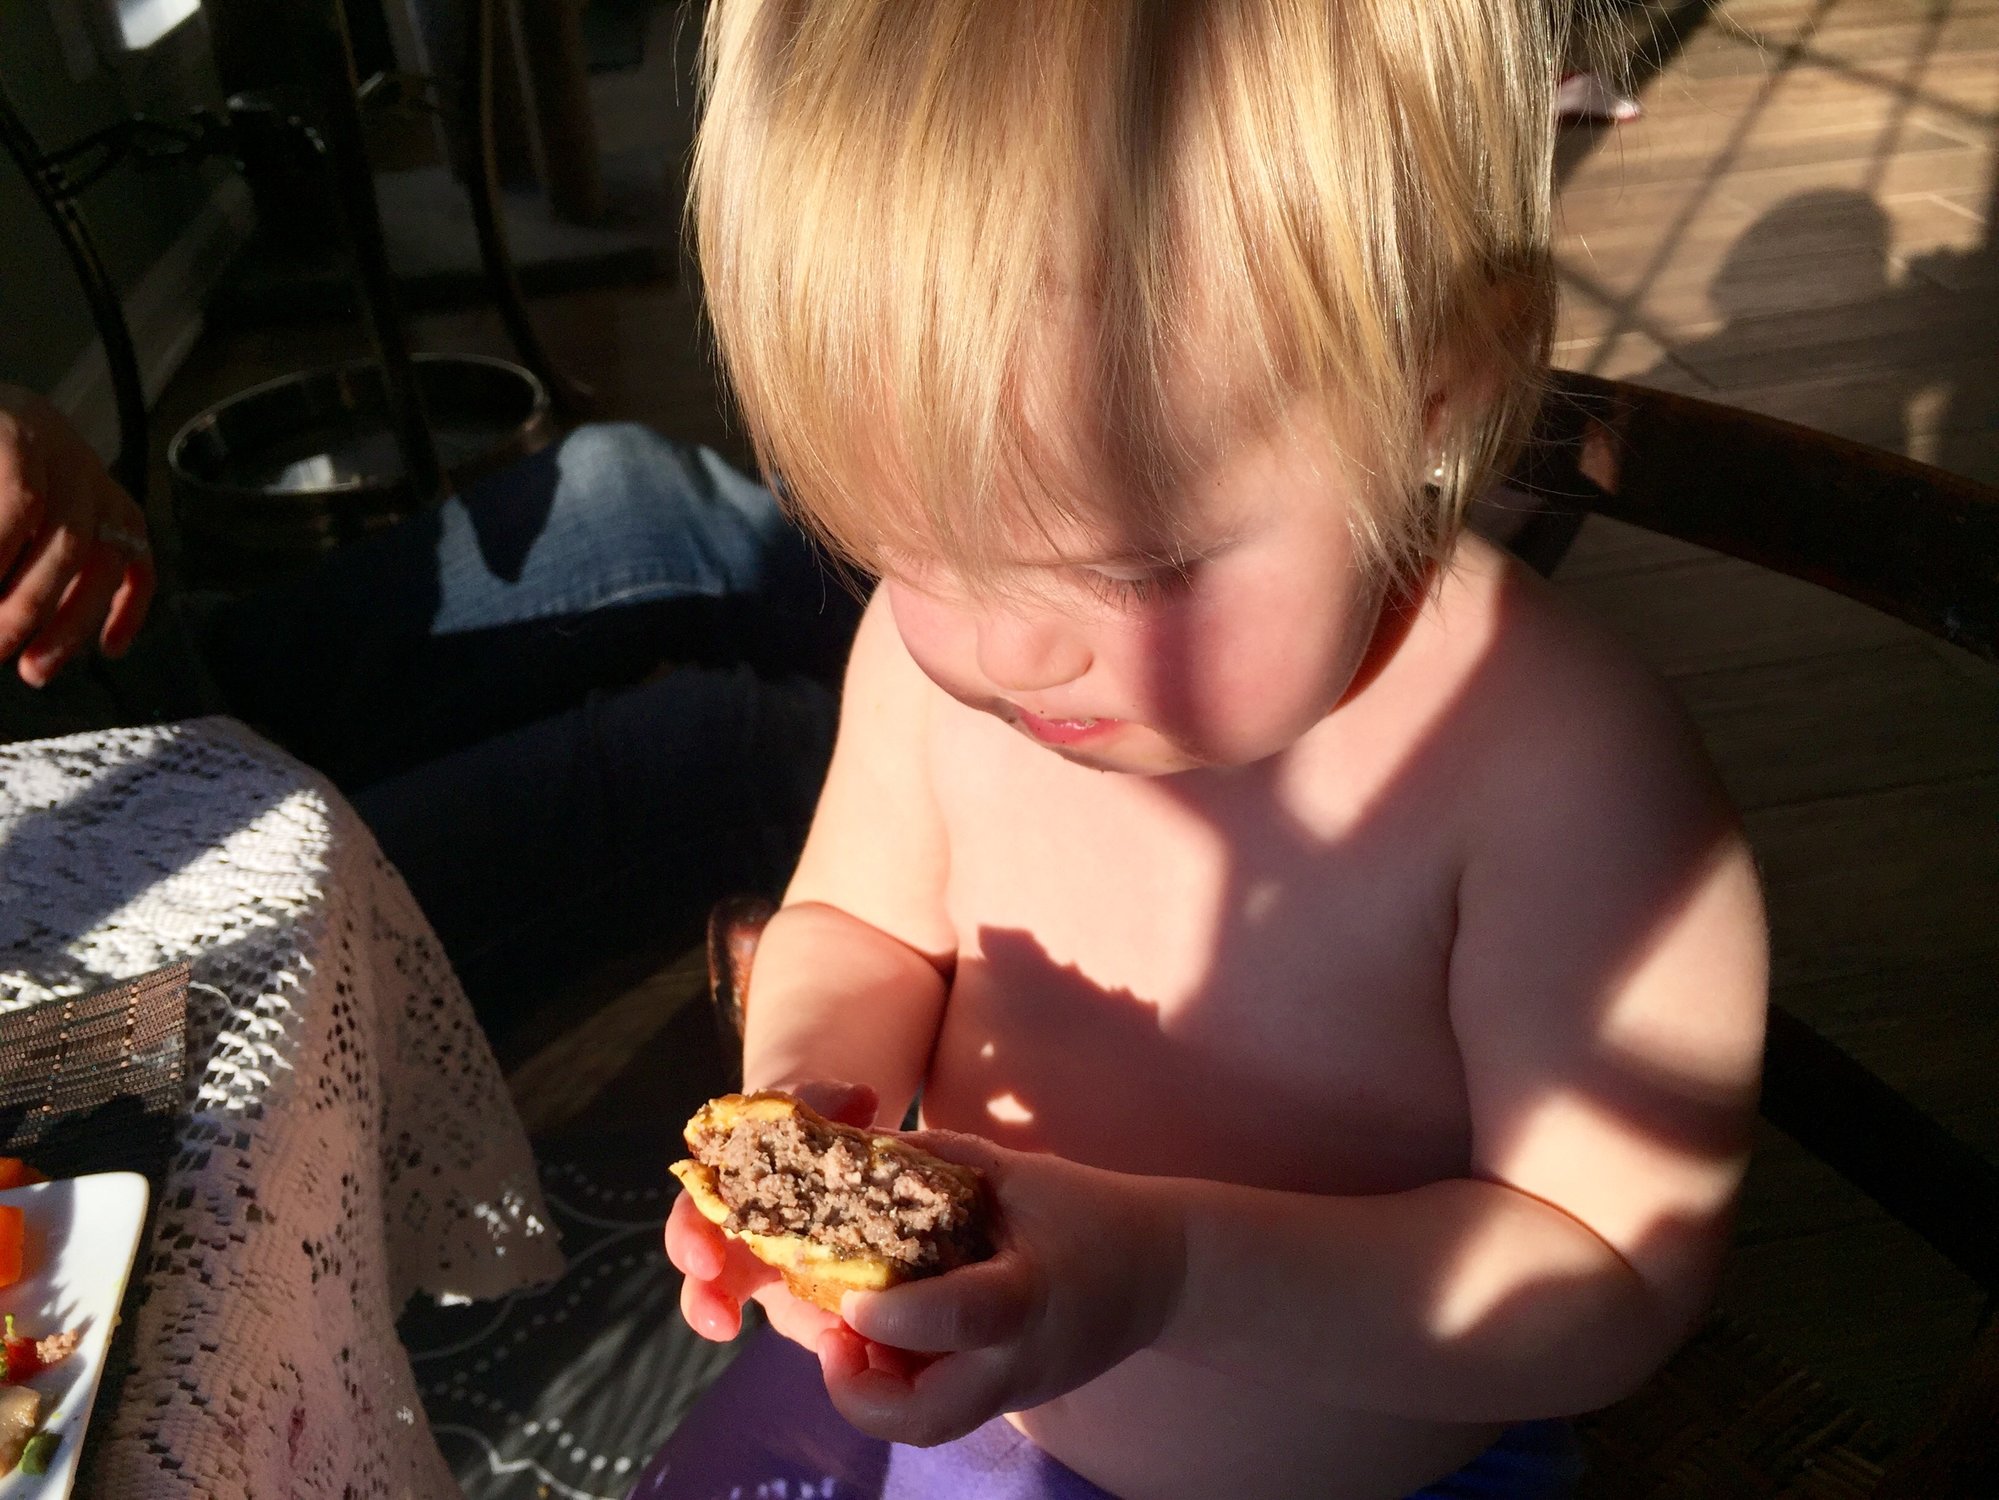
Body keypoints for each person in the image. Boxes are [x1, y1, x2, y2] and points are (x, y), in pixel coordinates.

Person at [655, 4, 1767, 1500]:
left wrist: (1169, 1272)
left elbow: (1606, 1279)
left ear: (1436, 385)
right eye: (908, 547)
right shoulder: (935, 677)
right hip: (981, 1418)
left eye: (1130, 566)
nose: (1006, 650)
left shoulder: (1554, 773)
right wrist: (810, 1098)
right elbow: (859, 926)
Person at [0, 382, 860, 1041]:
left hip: (126, 691)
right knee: (724, 747)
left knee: (639, 493)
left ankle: (932, 641)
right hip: (102, 955)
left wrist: (20, 419)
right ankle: (929, 839)